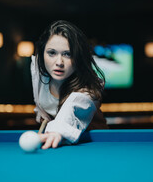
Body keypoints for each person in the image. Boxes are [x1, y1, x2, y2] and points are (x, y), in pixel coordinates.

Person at [31, 20, 108, 149]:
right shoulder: (38, 72)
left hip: (94, 145)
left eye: (67, 54)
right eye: (52, 53)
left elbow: (74, 105)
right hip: (57, 140)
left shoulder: (89, 90)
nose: (59, 62)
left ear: (78, 58)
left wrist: (57, 130)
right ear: (42, 53)